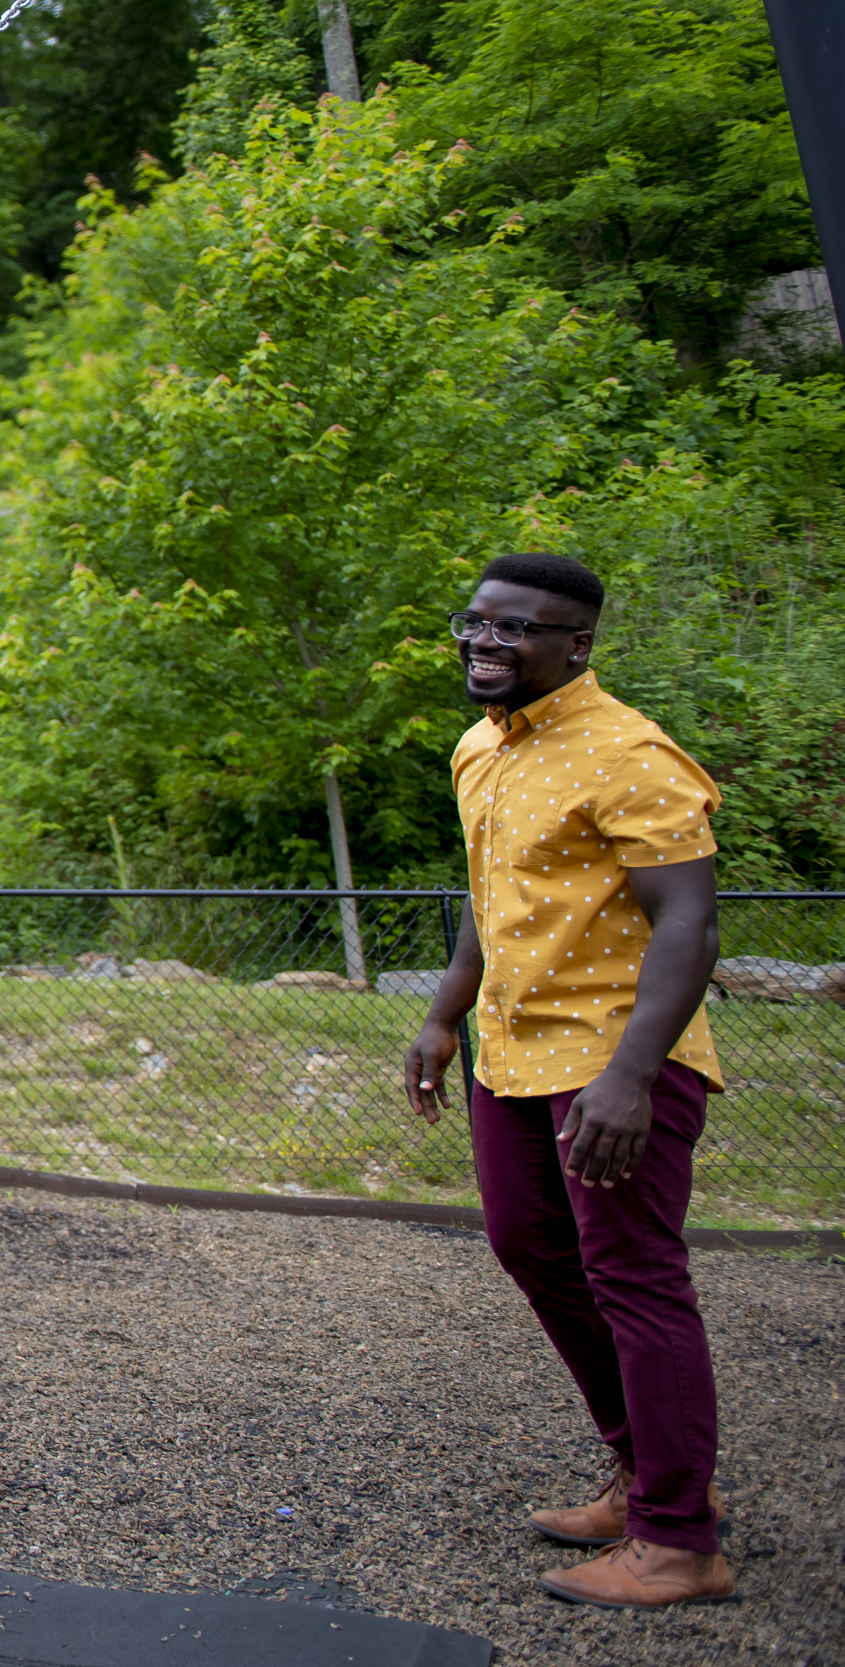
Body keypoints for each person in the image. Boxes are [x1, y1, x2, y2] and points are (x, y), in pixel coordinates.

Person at [402, 552, 734, 1610]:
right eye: (476, 623)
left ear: (576, 644)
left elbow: (690, 920)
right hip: (513, 1047)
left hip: (611, 1056)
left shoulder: (629, 753)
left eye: (517, 630)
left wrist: (631, 1076)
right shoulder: (476, 750)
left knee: (635, 1277)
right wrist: (444, 1014)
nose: (485, 643)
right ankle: (643, 1474)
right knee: (528, 1246)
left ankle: (679, 1539)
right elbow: (485, 893)